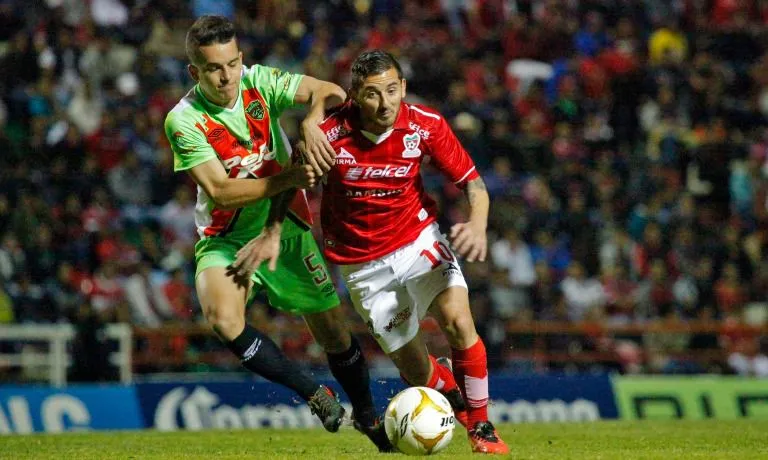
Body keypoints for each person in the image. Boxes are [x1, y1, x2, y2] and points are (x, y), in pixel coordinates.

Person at [164, 16, 388, 450]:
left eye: (232, 63)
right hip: (227, 237)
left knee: (335, 336)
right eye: (214, 68)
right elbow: (222, 191)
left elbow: (333, 91)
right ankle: (313, 393)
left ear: (241, 59)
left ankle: (368, 416)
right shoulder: (184, 120)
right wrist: (290, 178)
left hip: (288, 229)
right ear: (195, 72)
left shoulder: (260, 81)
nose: (227, 76)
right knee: (222, 319)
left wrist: (312, 121)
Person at [301, 50, 509, 454]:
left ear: (404, 88)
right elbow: (296, 181)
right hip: (363, 266)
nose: (385, 103)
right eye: (374, 94)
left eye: (393, 91)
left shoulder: (425, 125)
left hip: (418, 241)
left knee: (458, 322)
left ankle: (481, 427)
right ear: (355, 95)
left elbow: (474, 184)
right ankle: (454, 395)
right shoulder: (328, 134)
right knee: (416, 371)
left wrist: (478, 224)